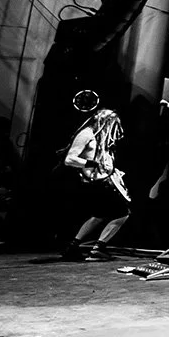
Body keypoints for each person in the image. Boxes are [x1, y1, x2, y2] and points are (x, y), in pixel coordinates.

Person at [60, 108, 131, 261]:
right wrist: (91, 164)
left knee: (99, 215)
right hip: (98, 183)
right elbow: (69, 159)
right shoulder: (86, 134)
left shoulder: (101, 138)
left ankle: (73, 245)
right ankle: (98, 248)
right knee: (122, 213)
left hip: (102, 181)